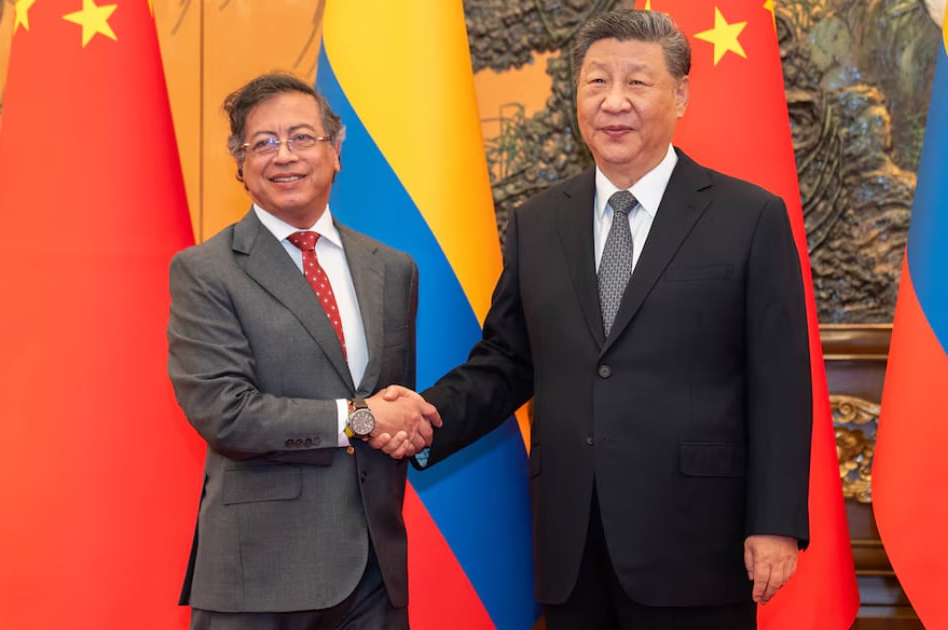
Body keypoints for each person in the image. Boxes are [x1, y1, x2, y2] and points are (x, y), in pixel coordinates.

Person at [393, 9, 813, 630]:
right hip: (572, 545)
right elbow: (508, 362)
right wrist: (425, 418)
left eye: (637, 82)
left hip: (696, 544)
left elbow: (780, 383)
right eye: (596, 82)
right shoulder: (538, 222)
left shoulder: (748, 217)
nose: (614, 101)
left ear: (681, 95)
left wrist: (776, 523)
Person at [167, 73, 439, 630]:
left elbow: (392, 398)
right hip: (260, 580)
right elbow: (227, 412)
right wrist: (362, 419)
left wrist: (409, 423)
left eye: (301, 137)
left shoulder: (393, 269)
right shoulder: (205, 271)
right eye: (263, 142)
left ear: (336, 152)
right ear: (240, 165)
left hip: (374, 577)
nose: (283, 155)